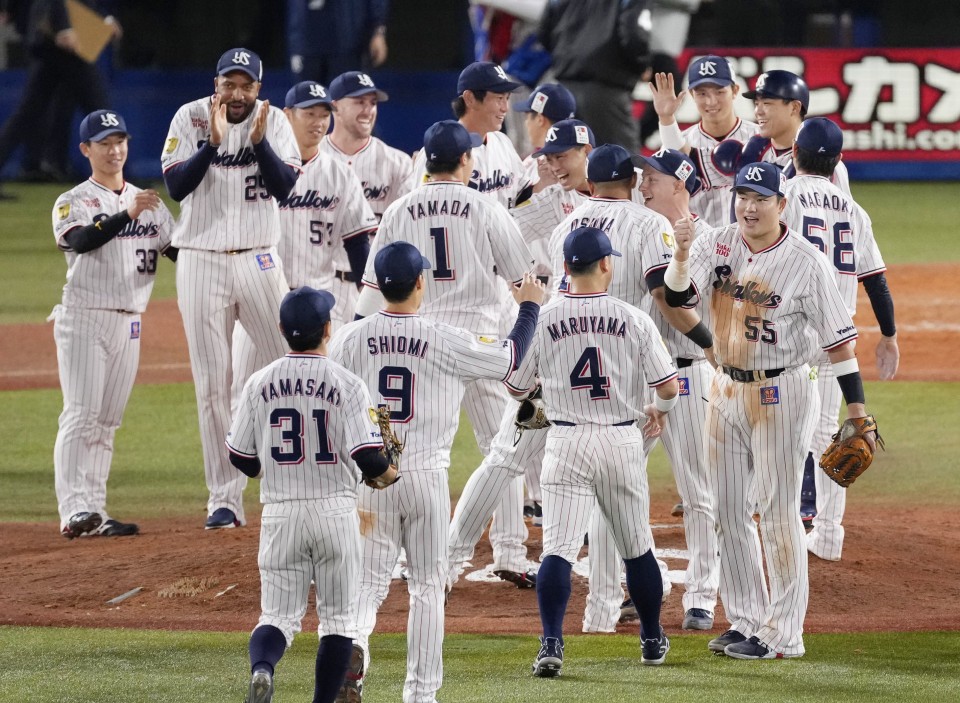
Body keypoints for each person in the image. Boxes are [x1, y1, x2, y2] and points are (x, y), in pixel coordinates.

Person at [663, 161, 878, 659]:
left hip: (780, 395)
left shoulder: (806, 262)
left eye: (761, 197)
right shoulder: (719, 242)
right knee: (728, 511)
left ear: (782, 205)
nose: (749, 206)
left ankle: (785, 634)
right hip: (724, 390)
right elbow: (677, 294)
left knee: (778, 514)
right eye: (743, 195)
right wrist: (680, 251)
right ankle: (747, 620)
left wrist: (859, 412)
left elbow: (841, 346)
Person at [329, 242, 544, 703]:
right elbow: (510, 357)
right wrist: (529, 306)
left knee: (367, 585)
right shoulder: (444, 337)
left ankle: (356, 646)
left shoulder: (349, 339)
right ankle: (421, 695)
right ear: (420, 283)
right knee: (428, 585)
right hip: (426, 477)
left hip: (372, 475)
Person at [356, 120, 538, 586]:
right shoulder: (484, 207)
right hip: (477, 340)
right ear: (465, 161)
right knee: (500, 445)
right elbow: (524, 284)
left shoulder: (400, 209)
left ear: (425, 161)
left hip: (419, 338)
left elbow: (372, 293)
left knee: (407, 447)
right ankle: (510, 552)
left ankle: (394, 552)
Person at [508, 226, 679, 676]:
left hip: (566, 441)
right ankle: (651, 639)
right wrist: (657, 411)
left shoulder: (545, 317)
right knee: (637, 548)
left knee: (558, 551)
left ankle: (551, 644)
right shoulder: (633, 317)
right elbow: (669, 386)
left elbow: (516, 386)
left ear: (566, 267)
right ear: (606, 264)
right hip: (621, 440)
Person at [226, 286, 398, 703]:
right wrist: (388, 471)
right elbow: (370, 462)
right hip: (334, 515)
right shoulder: (347, 383)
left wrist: (271, 466)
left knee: (277, 617)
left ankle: (263, 669)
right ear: (327, 328)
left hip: (281, 513)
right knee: (338, 622)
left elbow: (240, 457)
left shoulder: (259, 382)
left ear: (283, 330)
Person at [161, 47, 300, 530]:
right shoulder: (190, 117)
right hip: (200, 260)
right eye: (229, 84)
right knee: (212, 385)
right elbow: (176, 187)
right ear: (215, 84)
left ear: (258, 88)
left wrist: (259, 144)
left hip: (260, 258)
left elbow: (287, 189)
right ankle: (224, 499)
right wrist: (212, 144)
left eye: (246, 85)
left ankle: (299, 475)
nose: (237, 93)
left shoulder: (275, 121)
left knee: (294, 362)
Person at [51, 109, 174, 538]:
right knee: (81, 415)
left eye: (119, 140)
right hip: (84, 318)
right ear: (86, 149)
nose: (114, 149)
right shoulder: (74, 200)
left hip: (131, 323)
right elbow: (83, 241)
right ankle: (72, 509)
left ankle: (94, 511)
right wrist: (126, 214)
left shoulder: (149, 204)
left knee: (106, 422)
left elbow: (182, 253)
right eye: (104, 142)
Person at [782, 117, 899, 559]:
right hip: (837, 338)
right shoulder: (854, 210)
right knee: (834, 436)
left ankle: (781, 525)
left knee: (779, 431)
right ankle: (828, 535)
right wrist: (888, 336)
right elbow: (876, 282)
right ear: (838, 162)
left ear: (795, 154)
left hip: (791, 332)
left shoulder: (785, 195)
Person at [633, 146, 720, 630]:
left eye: (653, 177)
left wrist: (711, 346)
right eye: (643, 176)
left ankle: (702, 594)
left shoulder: (707, 241)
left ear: (680, 186)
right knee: (619, 485)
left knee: (698, 491)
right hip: (639, 381)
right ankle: (642, 581)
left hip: (687, 374)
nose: (643, 183)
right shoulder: (643, 229)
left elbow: (674, 301)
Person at [321, 70, 416, 324]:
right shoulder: (314, 157)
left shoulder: (396, 163)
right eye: (359, 102)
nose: (368, 110)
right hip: (323, 283)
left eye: (372, 103)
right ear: (335, 107)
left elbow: (408, 227)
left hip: (375, 286)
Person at [0, 0, 117, 195]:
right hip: (62, 40)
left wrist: (104, 19)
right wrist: (63, 27)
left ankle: (115, 177)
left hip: (56, 41)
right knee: (100, 112)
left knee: (26, 116)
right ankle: (117, 179)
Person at [712, 69, 852, 205]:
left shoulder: (822, 160)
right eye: (756, 103)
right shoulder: (752, 150)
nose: (758, 111)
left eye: (767, 103)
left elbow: (845, 218)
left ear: (794, 107)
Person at [649, 54, 758, 226]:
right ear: (692, 95)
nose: (711, 101)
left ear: (735, 91)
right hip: (698, 246)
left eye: (719, 91)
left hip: (749, 245)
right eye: (702, 93)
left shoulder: (758, 137)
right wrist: (666, 118)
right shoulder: (678, 140)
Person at [412, 61, 531, 210]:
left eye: (507, 99)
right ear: (470, 98)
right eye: (499, 98)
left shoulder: (503, 143)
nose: (505, 108)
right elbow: (421, 212)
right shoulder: (438, 149)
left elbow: (524, 197)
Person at [538, 0, 649, 153]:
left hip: (563, 89)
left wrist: (565, 57)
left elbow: (543, 32)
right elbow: (633, 32)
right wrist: (642, 64)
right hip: (606, 91)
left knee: (563, 161)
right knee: (625, 165)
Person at [637, 0, 702, 147]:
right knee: (672, 95)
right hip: (653, 46)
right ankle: (634, 137)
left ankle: (634, 138)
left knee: (669, 97)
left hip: (658, 47)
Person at [286, 0, 389, 85]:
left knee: (347, 100)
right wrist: (296, 45)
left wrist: (378, 31)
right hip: (307, 41)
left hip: (348, 41)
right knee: (307, 102)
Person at [511, 82, 577, 191]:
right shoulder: (583, 158)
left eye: (527, 118)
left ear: (539, 120)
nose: (526, 123)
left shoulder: (535, 167)